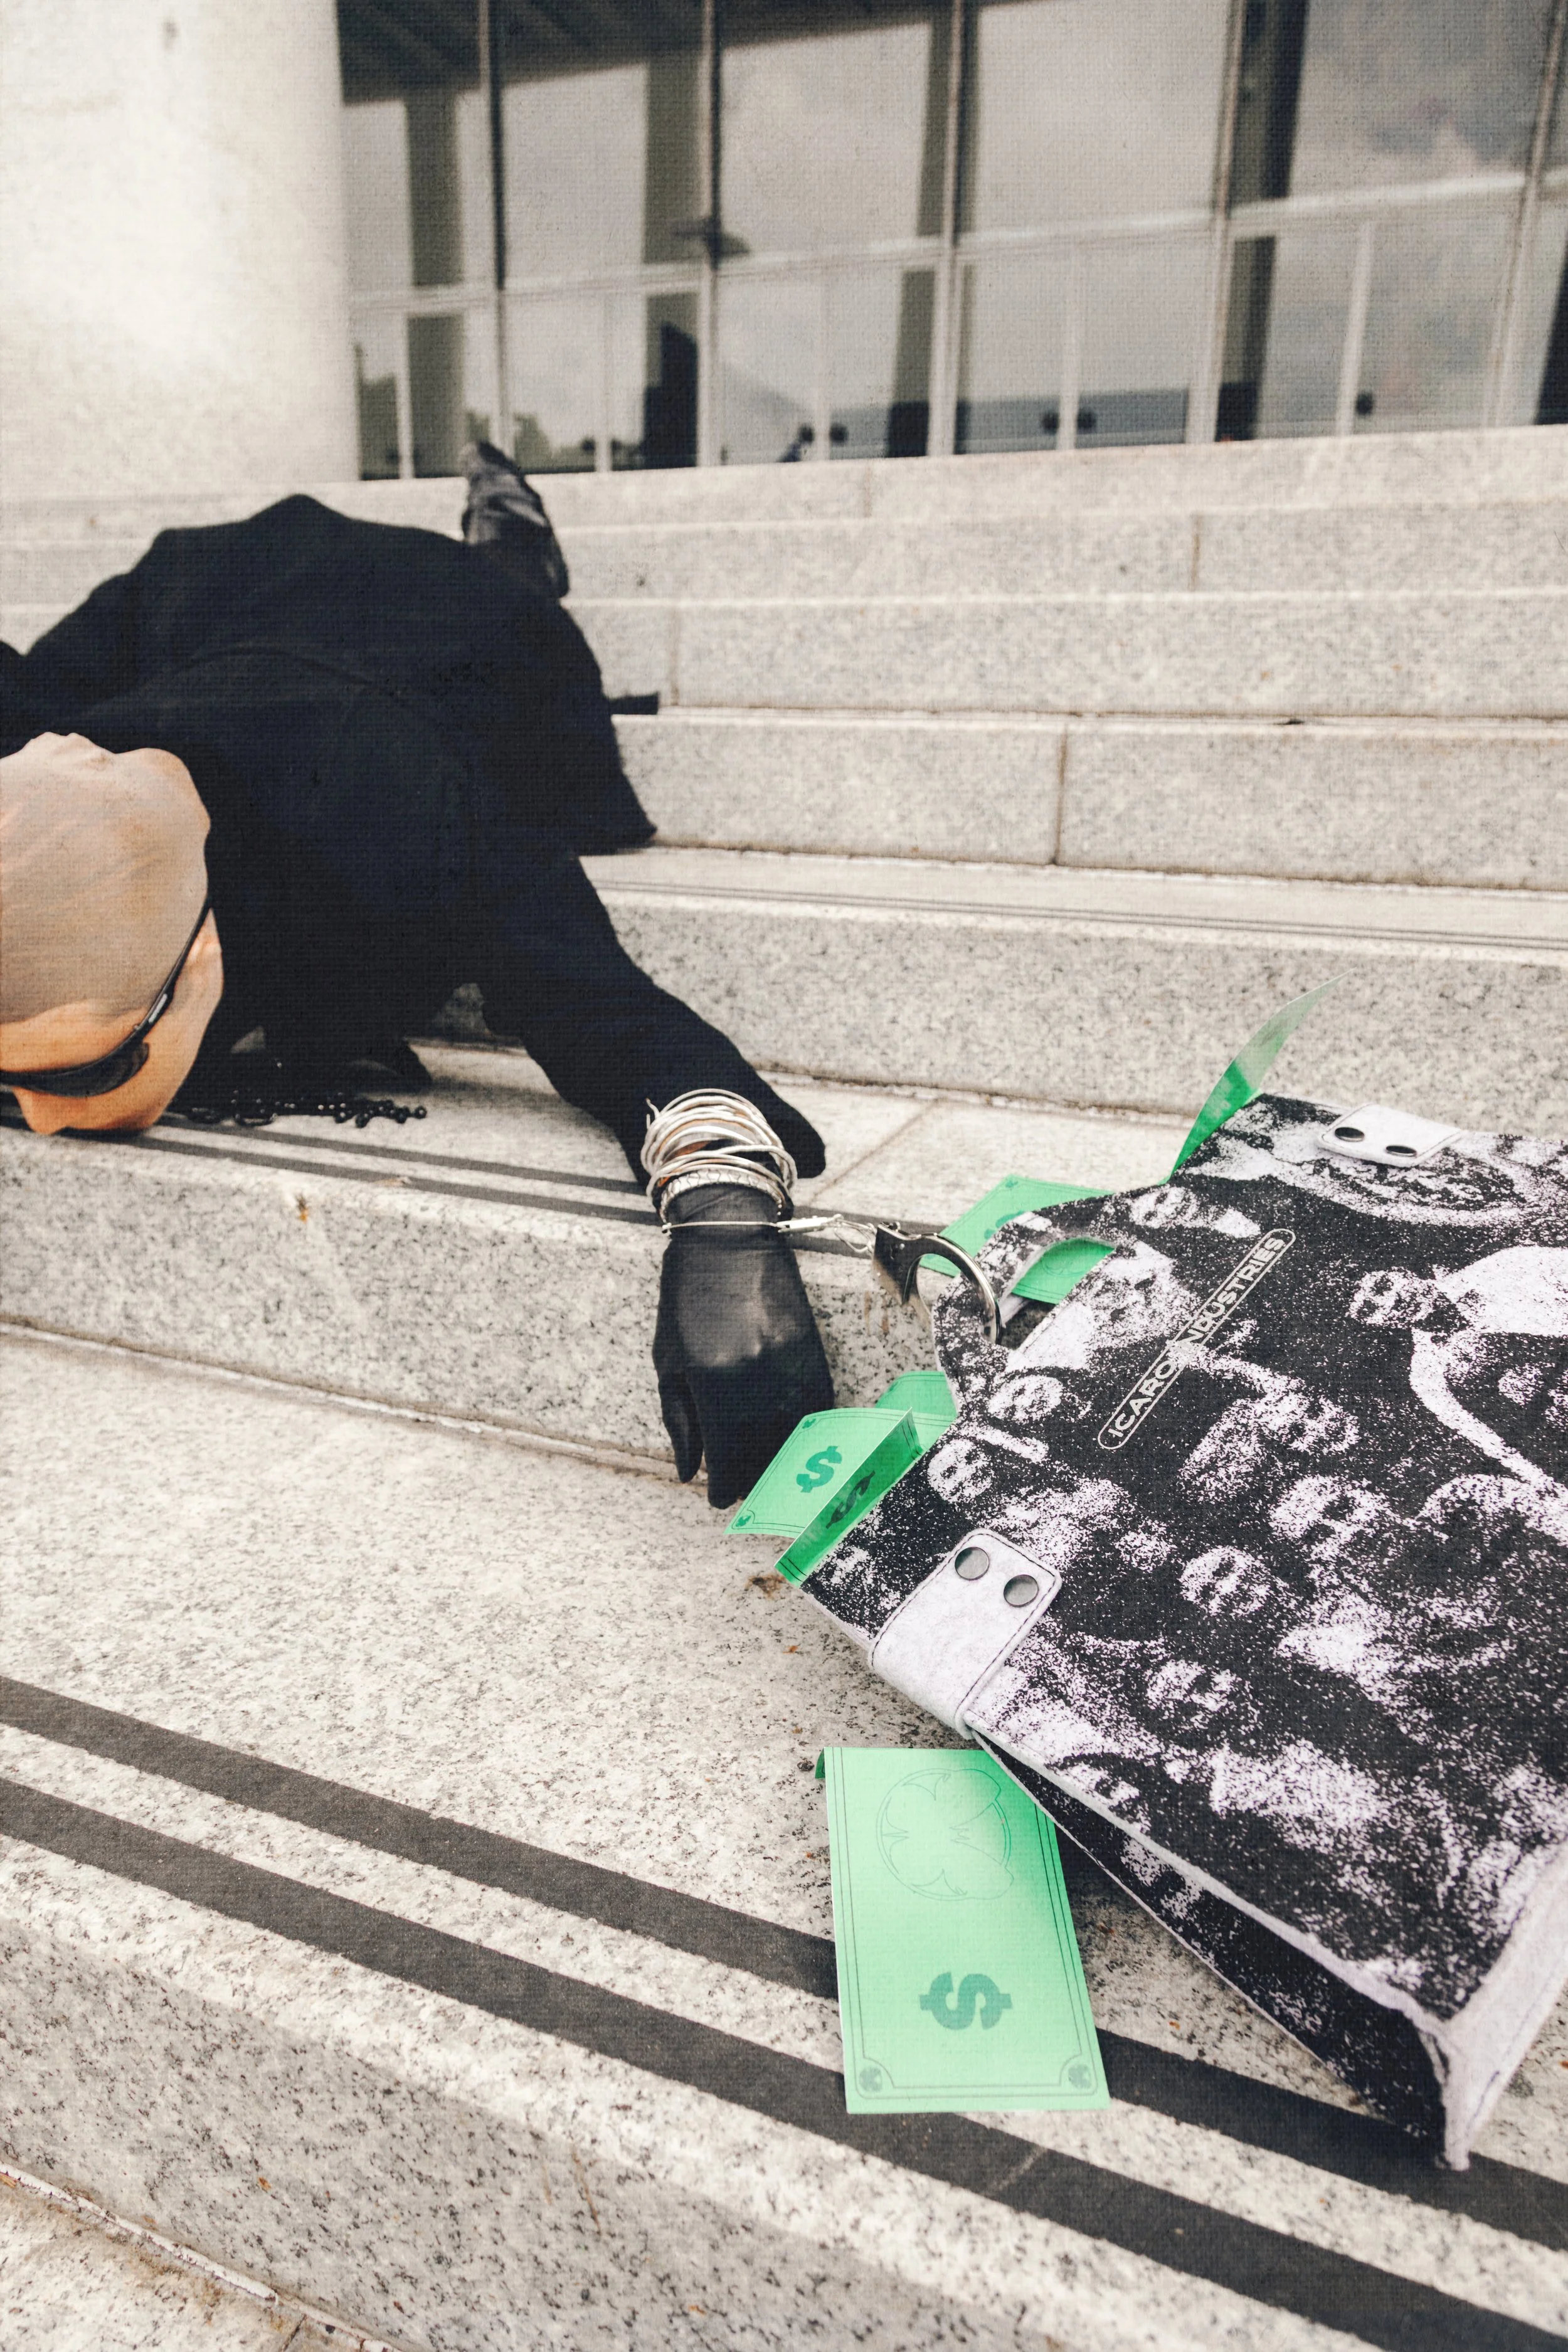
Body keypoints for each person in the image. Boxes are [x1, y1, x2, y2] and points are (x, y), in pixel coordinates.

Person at [0, 446, 833, 1508]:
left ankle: (514, 544)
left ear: (199, 962)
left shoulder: (425, 813)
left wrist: (725, 1218)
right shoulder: (44, 758)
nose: (32, 1116)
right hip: (227, 582)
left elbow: (616, 1019)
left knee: (507, 600)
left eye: (77, 1073)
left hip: (468, 628)